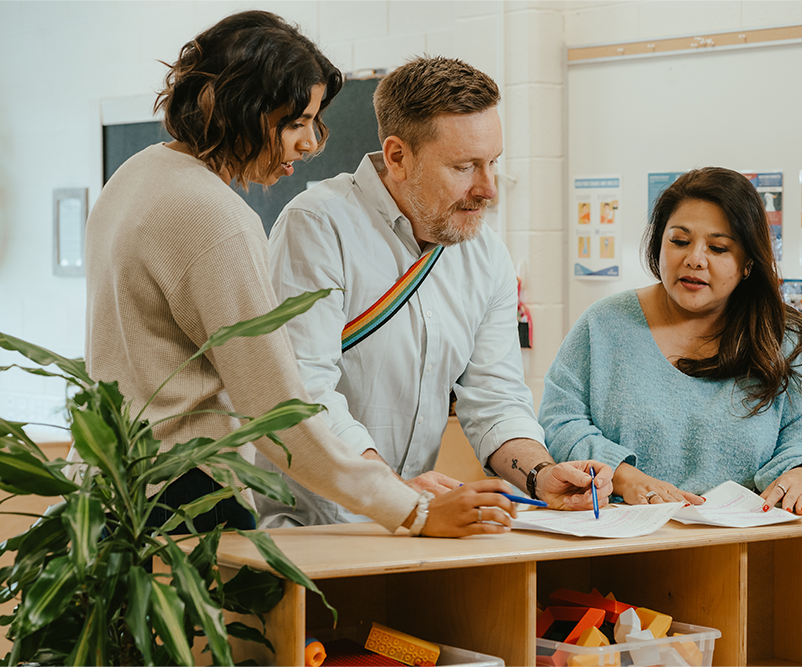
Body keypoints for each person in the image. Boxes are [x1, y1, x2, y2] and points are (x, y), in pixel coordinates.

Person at [85, 11, 518, 538]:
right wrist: (414, 510)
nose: (311, 143)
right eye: (294, 123)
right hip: (185, 498)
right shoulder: (217, 215)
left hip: (116, 489)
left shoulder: (134, 176)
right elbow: (279, 408)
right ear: (240, 112)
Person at [257, 56, 613, 527]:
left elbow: (497, 399)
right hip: (318, 530)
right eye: (465, 167)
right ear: (399, 156)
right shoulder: (319, 225)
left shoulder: (484, 254)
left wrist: (540, 473)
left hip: (421, 531)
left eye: (493, 164)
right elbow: (305, 393)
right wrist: (394, 496)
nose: (488, 189)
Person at [538, 167, 802, 516]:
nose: (695, 259)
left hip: (749, 542)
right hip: (619, 537)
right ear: (658, 244)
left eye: (718, 247)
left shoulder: (779, 336)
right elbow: (559, 422)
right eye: (680, 241)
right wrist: (624, 477)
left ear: (747, 264)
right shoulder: (604, 324)